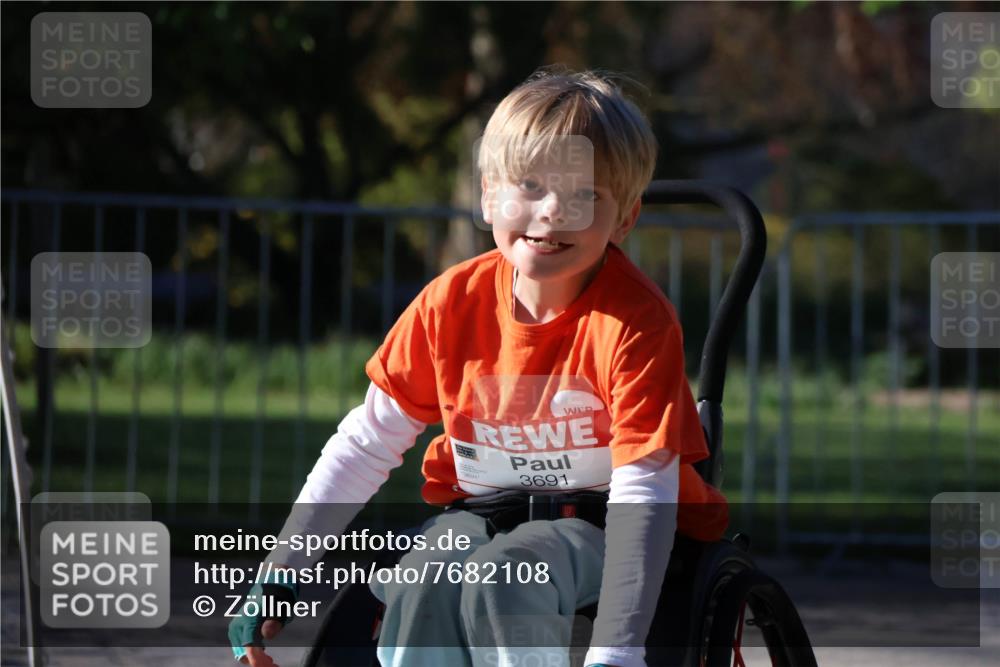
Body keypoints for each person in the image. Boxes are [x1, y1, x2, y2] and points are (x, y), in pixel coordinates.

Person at [229, 66, 728, 667]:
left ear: (624, 218)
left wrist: (615, 653)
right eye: (531, 186)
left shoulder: (635, 322)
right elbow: (366, 443)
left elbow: (642, 491)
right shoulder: (450, 303)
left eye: (584, 196)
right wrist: (282, 570)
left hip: (599, 524)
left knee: (506, 575)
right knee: (421, 580)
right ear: (489, 195)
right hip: (478, 515)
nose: (551, 213)